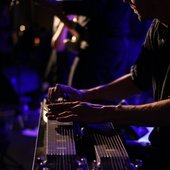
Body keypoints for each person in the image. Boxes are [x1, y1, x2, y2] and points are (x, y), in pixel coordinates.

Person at [47, 0, 170, 169]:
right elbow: (137, 80)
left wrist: (104, 112)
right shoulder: (158, 27)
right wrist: (84, 95)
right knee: (83, 150)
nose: (125, 0)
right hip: (160, 145)